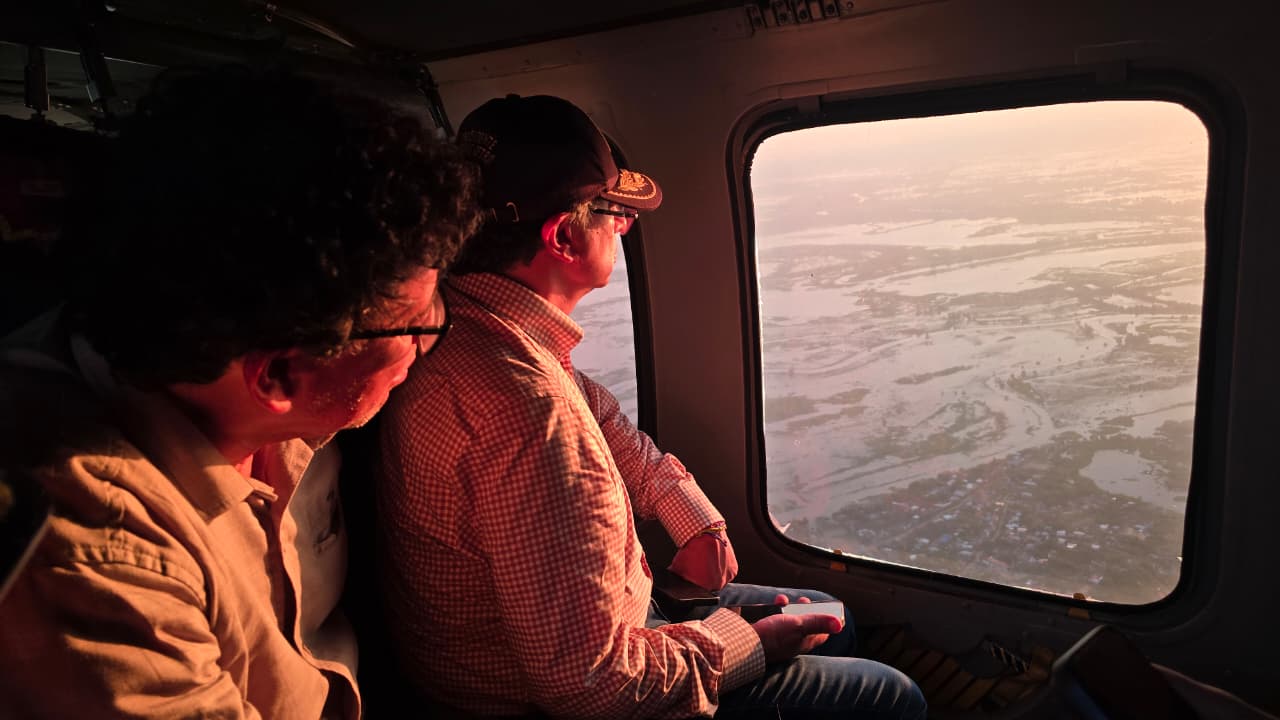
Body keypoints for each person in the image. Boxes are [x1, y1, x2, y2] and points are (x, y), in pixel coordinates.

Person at [376, 93, 926, 719]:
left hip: (603, 635)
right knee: (891, 695)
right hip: (549, 699)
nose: (625, 227)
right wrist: (753, 642)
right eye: (614, 213)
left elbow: (607, 425)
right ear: (563, 236)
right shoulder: (528, 413)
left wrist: (692, 516)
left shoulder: (478, 328)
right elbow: (591, 687)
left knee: (835, 616)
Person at [0, 67, 481, 719]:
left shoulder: (271, 387)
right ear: (277, 378)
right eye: (417, 324)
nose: (429, 342)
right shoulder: (91, 552)